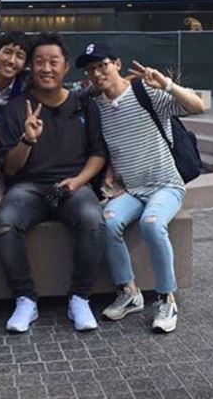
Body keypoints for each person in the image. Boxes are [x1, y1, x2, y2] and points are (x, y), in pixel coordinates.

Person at [75, 42, 204, 333]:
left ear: (117, 64)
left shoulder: (147, 92)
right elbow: (110, 147)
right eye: (90, 69)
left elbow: (197, 106)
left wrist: (167, 84)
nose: (96, 73)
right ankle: (129, 292)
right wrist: (110, 176)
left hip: (166, 185)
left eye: (102, 65)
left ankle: (166, 299)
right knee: (107, 222)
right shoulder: (97, 106)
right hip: (131, 190)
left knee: (152, 223)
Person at [0, 32, 107, 333]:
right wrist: (27, 140)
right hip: (28, 188)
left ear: (65, 67)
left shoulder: (84, 105)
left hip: (72, 186)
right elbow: (9, 167)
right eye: (40, 62)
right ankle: (25, 299)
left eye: (53, 62)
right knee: (6, 221)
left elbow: (98, 154)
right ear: (31, 67)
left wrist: (78, 181)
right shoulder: (16, 108)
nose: (46, 68)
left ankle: (80, 297)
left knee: (93, 219)